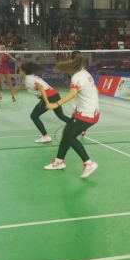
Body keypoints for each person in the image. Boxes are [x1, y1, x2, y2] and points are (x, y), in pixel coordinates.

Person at [44, 51, 99, 179]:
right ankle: (59, 161)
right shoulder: (86, 74)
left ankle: (88, 163)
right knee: (67, 133)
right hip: (88, 111)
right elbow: (95, 90)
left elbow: (72, 94)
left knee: (70, 135)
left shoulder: (77, 76)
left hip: (87, 113)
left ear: (71, 60)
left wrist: (56, 104)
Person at [13, 62, 70, 144]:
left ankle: (46, 137)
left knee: (34, 116)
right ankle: (79, 127)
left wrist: (47, 102)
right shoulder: (30, 77)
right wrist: (15, 91)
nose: (19, 72)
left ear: (24, 71)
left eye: (20, 70)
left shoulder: (29, 80)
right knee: (61, 116)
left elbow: (41, 88)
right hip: (55, 95)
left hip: (49, 97)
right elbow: (23, 84)